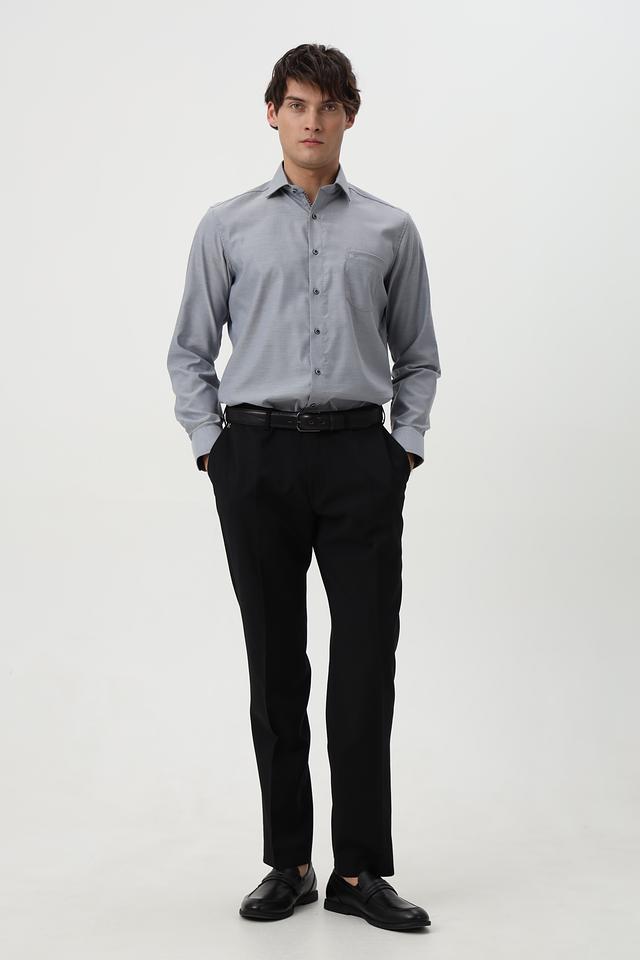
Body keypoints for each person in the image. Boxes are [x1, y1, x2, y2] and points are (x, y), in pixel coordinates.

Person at [166, 43, 441, 932]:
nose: (311, 121)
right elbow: (189, 351)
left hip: (361, 462)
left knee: (364, 668)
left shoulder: (391, 229)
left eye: (327, 106)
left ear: (349, 115)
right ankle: (287, 861)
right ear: (272, 113)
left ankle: (358, 871)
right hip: (257, 461)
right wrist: (214, 451)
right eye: (296, 104)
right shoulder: (227, 225)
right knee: (276, 666)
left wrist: (402, 451)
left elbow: (418, 356)